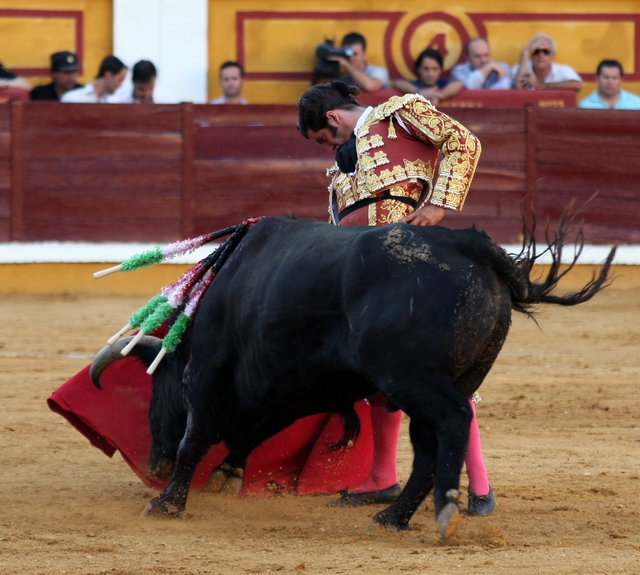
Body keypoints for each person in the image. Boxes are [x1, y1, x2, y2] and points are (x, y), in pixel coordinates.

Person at [296, 81, 495, 515]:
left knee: (440, 374)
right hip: (356, 273)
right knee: (374, 374)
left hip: (405, 261)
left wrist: (440, 204)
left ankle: (479, 486)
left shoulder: (400, 113)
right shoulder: (340, 166)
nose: (328, 147)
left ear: (332, 118)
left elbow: (463, 141)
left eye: (323, 138)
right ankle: (382, 476)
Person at [513, 33, 582, 92]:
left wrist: (541, 86)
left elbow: (577, 85)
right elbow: (519, 87)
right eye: (536, 51)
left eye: (546, 52)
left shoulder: (562, 69)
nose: (541, 55)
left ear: (553, 56)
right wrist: (525, 54)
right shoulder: (521, 67)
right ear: (530, 54)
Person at [393, 48, 463, 105]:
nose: (430, 74)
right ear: (418, 69)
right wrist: (420, 93)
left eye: (435, 69)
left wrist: (438, 96)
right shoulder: (414, 85)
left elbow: (459, 84)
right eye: (426, 69)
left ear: (440, 70)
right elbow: (398, 83)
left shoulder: (444, 84)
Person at [61, 55, 128, 103]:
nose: (120, 85)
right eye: (120, 80)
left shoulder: (115, 101)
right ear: (108, 75)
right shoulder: (72, 98)